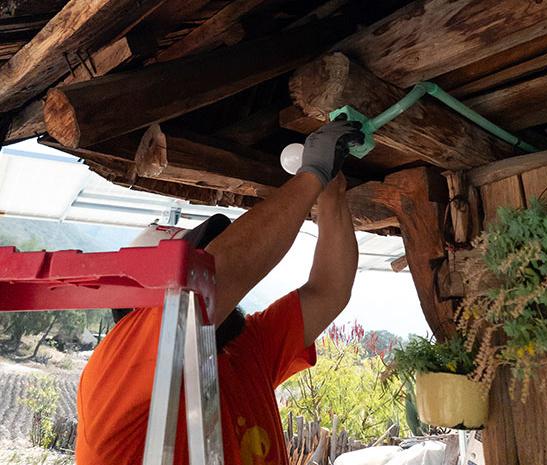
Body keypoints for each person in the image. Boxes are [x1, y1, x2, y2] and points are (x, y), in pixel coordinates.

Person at [75, 121, 364, 465]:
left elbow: (328, 290)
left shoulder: (241, 350)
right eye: (192, 265)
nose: (211, 269)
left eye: (206, 255)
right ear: (141, 304)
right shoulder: (117, 367)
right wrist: (311, 175)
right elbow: (215, 279)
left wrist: (331, 194)